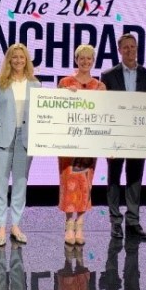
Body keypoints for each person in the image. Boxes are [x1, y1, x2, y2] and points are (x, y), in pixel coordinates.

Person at [100, 33, 146, 241]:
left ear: (137, 49)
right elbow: (103, 108)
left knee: (135, 178)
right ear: (119, 50)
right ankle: (115, 222)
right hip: (115, 136)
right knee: (113, 178)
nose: (130, 50)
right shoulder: (107, 75)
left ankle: (133, 221)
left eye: (133, 47)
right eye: (126, 47)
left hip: (138, 137)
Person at [0, 43, 41, 247]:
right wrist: (2, 128)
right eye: (14, 57)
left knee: (20, 183)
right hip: (1, 137)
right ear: (9, 60)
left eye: (22, 57)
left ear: (27, 60)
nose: (18, 60)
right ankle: (0, 225)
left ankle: (15, 225)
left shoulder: (35, 84)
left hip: (25, 137)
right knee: (0, 183)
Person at [57, 44, 107, 245]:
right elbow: (55, 110)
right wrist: (64, 95)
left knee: (85, 182)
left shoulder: (99, 86)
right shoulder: (65, 82)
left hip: (89, 143)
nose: (85, 62)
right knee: (69, 181)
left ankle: (80, 223)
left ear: (93, 61)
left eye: (89, 58)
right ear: (76, 59)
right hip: (69, 143)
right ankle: (69, 224)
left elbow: (106, 114)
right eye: (82, 58)